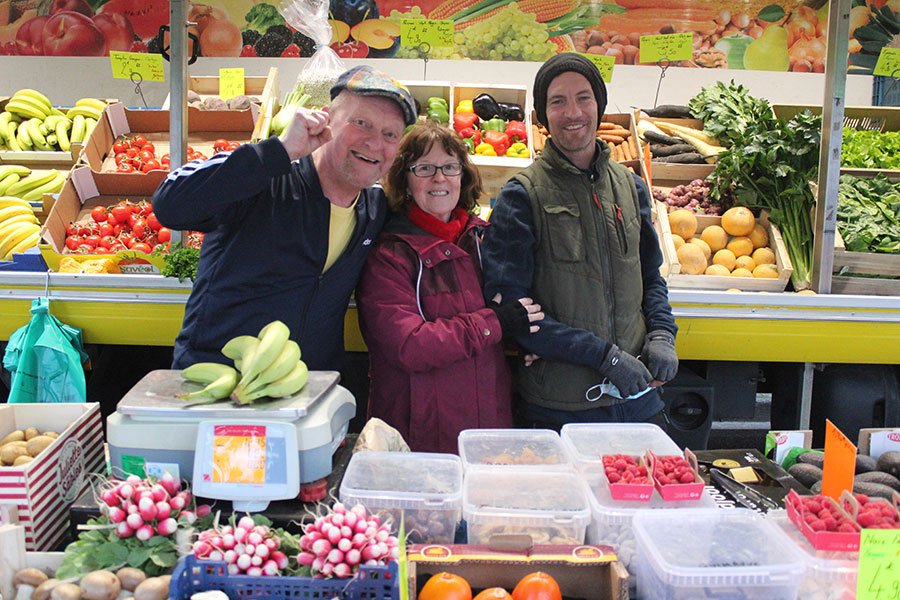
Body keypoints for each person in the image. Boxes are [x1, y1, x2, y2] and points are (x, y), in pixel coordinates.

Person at [153, 66, 417, 371]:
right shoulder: (264, 179)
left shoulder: (375, 210)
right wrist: (278, 151)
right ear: (325, 119)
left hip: (308, 393)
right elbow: (170, 205)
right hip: (218, 384)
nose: (374, 143)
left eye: (390, 134)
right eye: (361, 123)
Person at [481, 53, 678, 430]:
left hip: (639, 398)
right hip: (561, 404)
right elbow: (514, 311)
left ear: (599, 107)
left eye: (583, 98)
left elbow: (651, 277)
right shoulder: (521, 196)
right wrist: (605, 358)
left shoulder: (630, 187)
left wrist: (662, 334)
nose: (573, 112)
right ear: (542, 115)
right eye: (558, 101)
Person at [356, 121, 543, 452]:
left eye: (449, 167)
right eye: (424, 168)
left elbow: (520, 307)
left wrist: (532, 342)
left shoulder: (485, 239)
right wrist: (496, 323)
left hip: (489, 426)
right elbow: (410, 346)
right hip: (419, 434)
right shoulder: (390, 255)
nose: (439, 178)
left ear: (463, 176)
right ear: (405, 179)